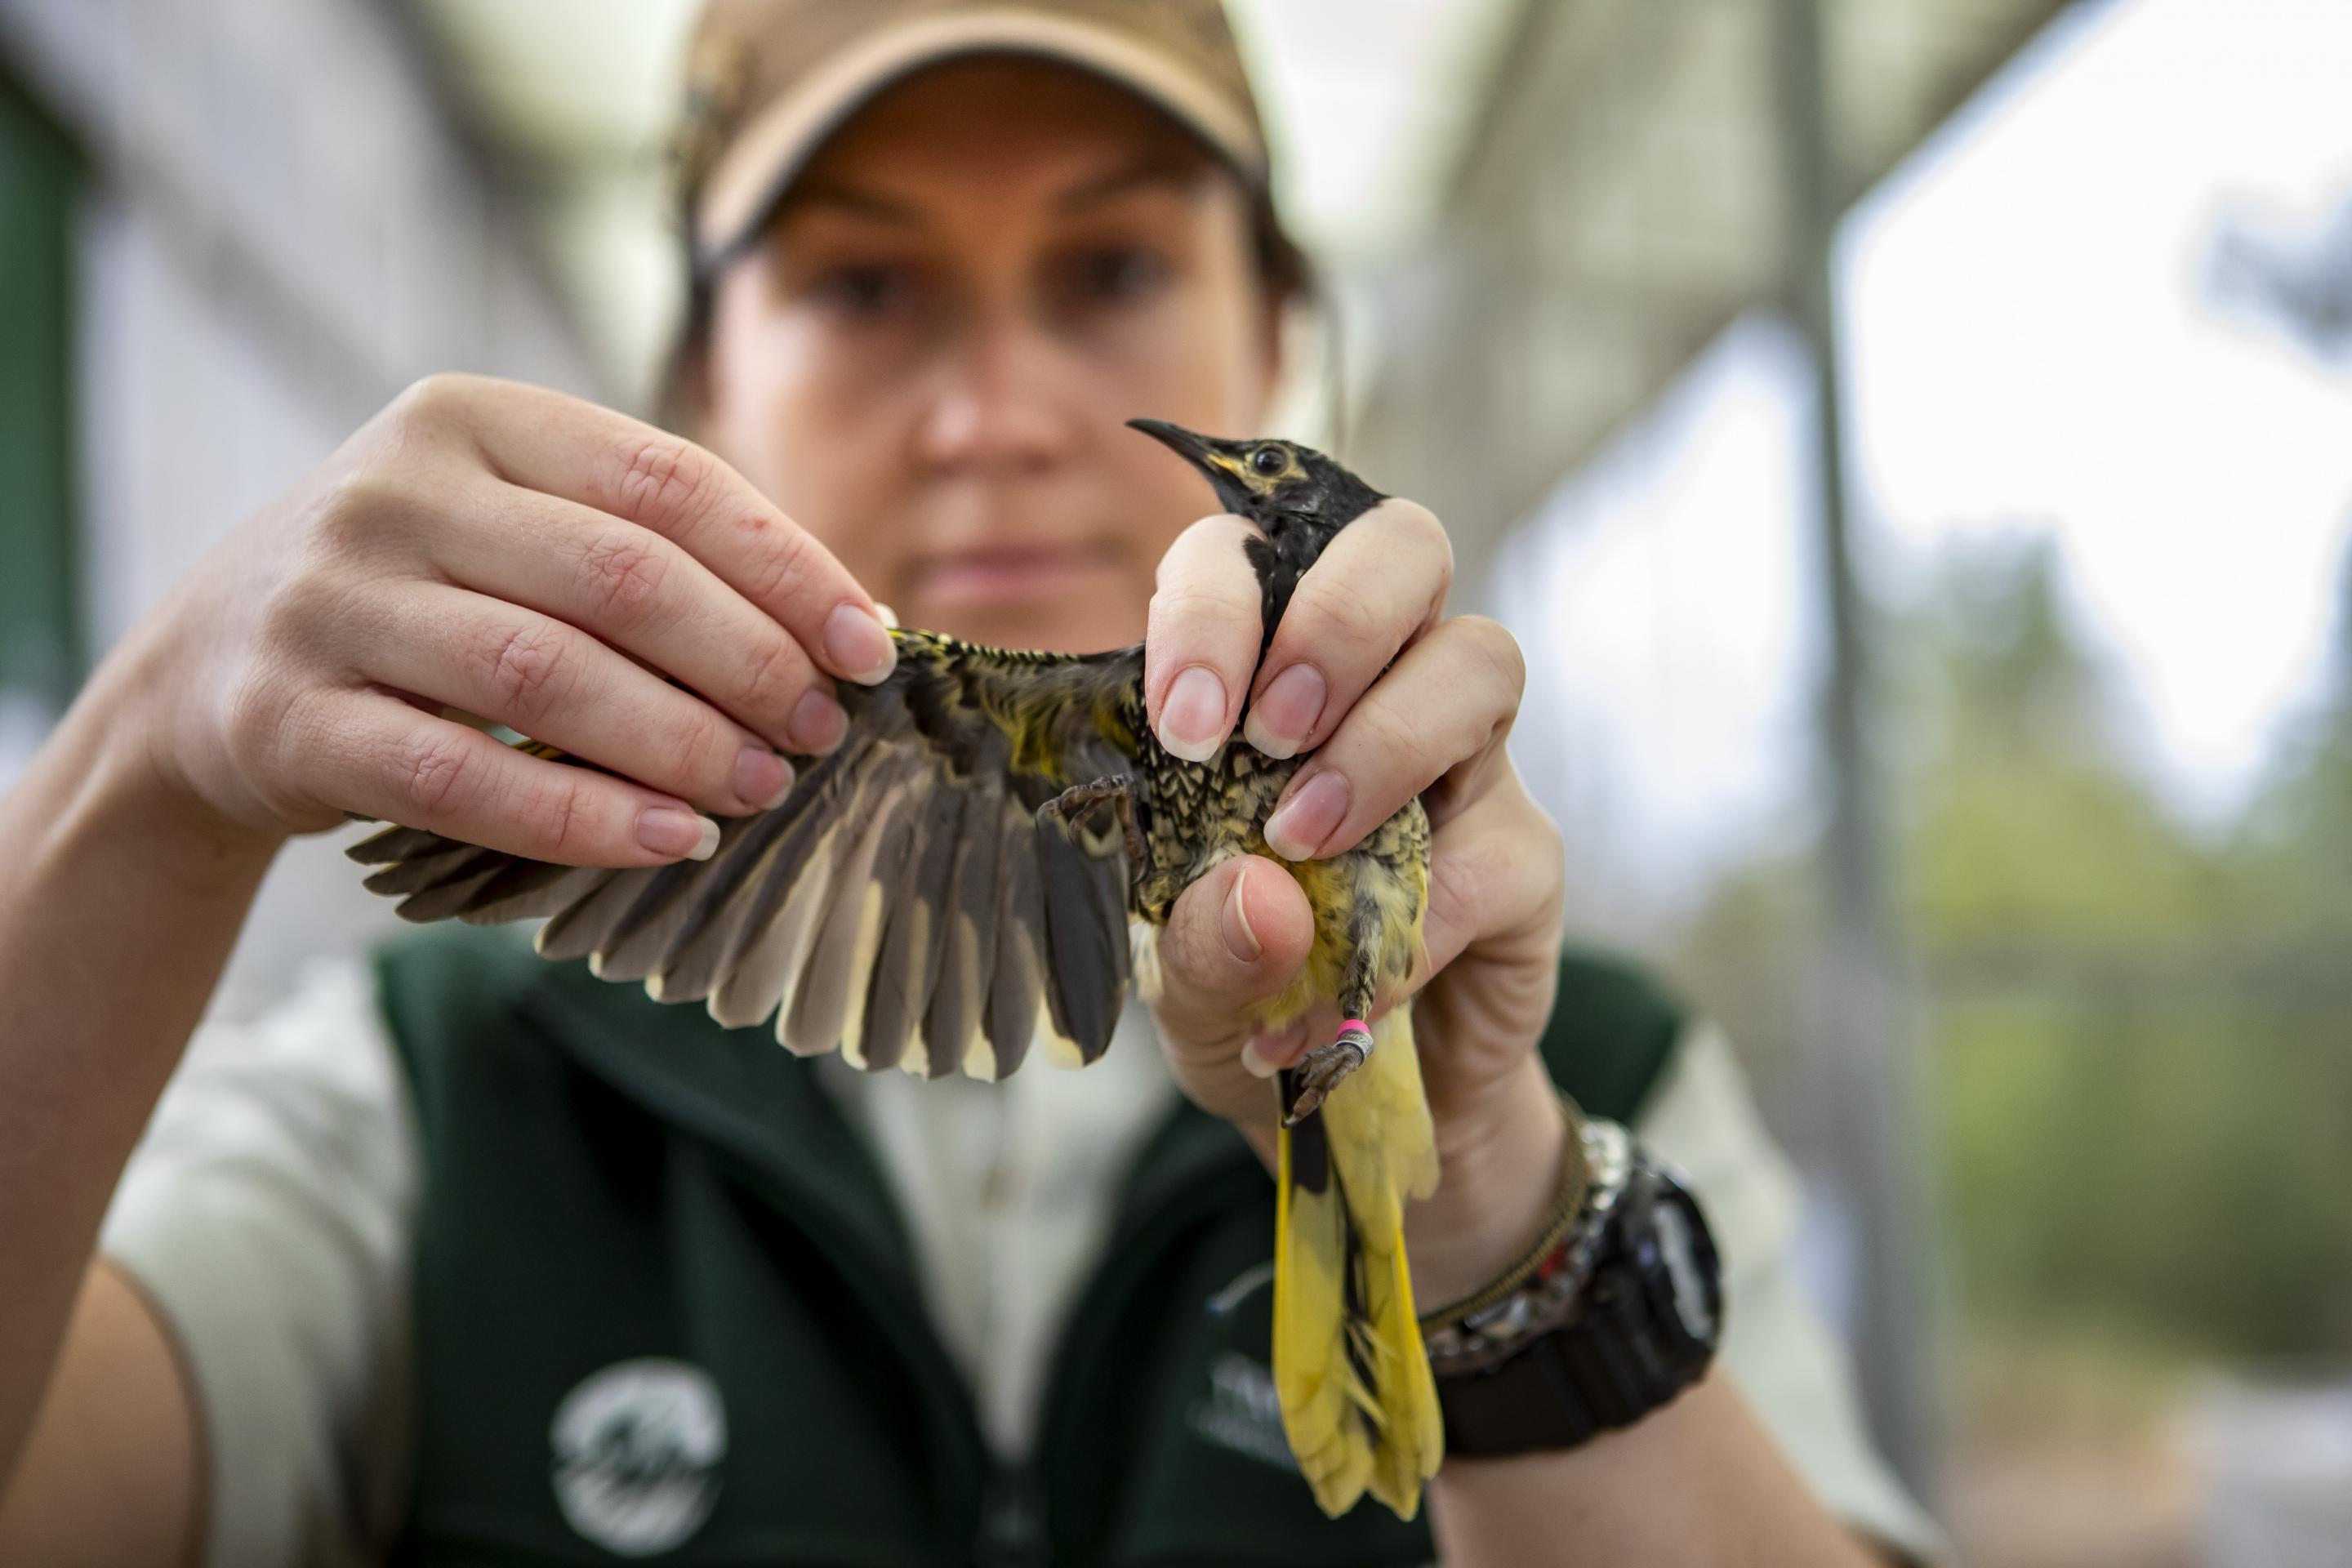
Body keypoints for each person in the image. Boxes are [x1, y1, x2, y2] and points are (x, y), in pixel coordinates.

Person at [0, 2, 1942, 1562]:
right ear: (697, 385)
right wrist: (133, 785)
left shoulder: (1594, 1069)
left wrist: (1488, 1217)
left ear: (1283, 338)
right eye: (863, 289)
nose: (997, 418)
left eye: (1107, 265)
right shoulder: (426, 1099)